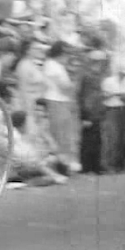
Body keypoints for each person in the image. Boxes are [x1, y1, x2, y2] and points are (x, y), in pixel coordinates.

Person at [43, 40, 78, 174]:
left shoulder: (57, 65)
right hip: (56, 101)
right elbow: (64, 87)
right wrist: (73, 83)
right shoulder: (52, 65)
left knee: (64, 135)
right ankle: (61, 165)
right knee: (59, 135)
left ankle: (64, 164)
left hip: (61, 101)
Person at [78, 49, 108, 174]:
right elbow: (84, 97)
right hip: (90, 113)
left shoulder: (97, 76)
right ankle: (89, 166)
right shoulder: (88, 76)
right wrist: (85, 116)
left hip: (97, 112)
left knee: (96, 140)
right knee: (89, 140)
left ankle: (95, 165)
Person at [13, 38, 47, 136]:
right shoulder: (23, 66)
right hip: (28, 103)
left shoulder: (33, 64)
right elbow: (22, 88)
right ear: (28, 50)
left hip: (37, 102)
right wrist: (27, 108)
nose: (38, 50)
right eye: (35, 48)